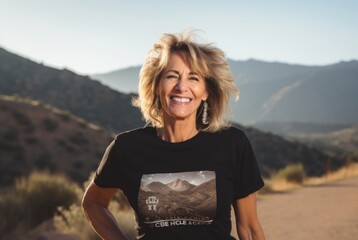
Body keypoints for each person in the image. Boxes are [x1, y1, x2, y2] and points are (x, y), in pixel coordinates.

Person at [82, 31, 265, 240]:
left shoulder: (232, 144)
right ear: (157, 85)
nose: (181, 87)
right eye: (172, 76)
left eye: (193, 77)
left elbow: (250, 228)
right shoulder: (127, 148)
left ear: (205, 91)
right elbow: (93, 203)